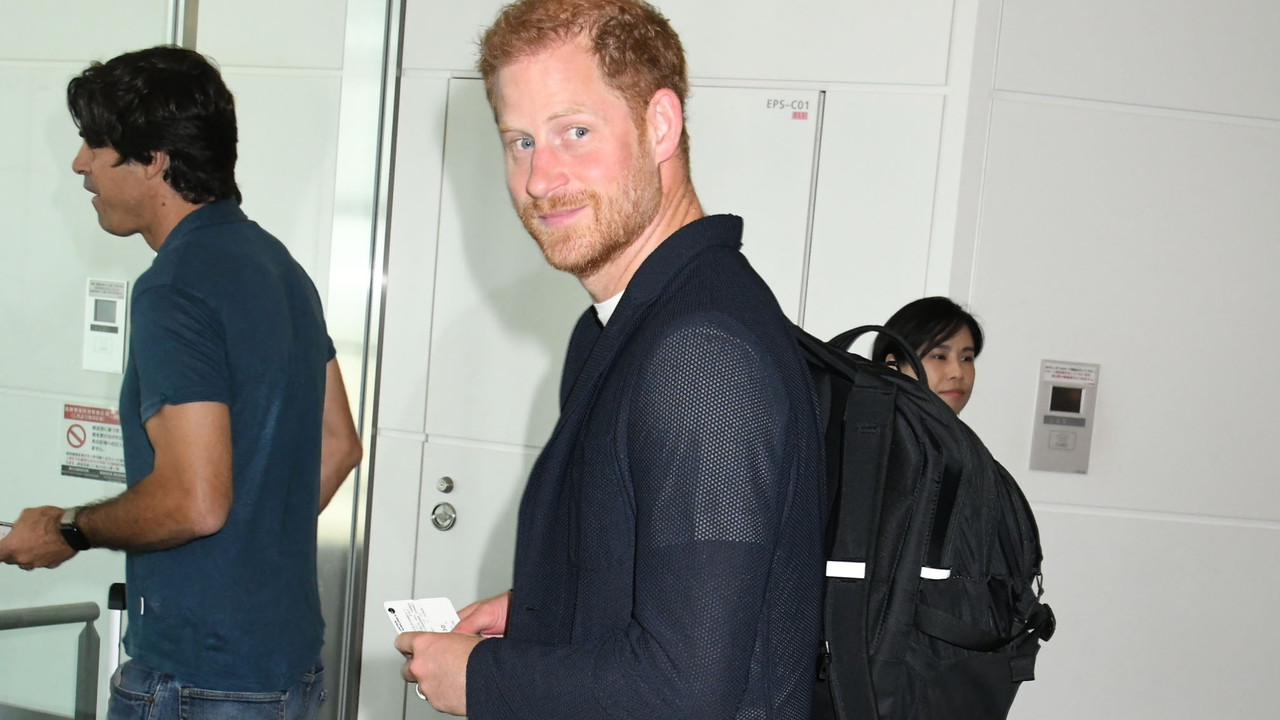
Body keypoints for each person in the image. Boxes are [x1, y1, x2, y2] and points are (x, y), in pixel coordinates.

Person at [394, 1, 826, 718]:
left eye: (575, 132)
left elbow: (688, 690)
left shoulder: (701, 358)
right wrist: (541, 614)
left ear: (660, 125)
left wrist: (484, 679)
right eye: (520, 141)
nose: (539, 178)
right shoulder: (621, 327)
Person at [0, 47, 363, 720]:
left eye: (97, 145)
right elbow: (339, 444)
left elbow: (194, 501)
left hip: (199, 682)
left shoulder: (174, 287)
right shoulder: (278, 265)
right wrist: (246, 547)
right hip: (286, 673)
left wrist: (68, 529)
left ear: (154, 161)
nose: (80, 164)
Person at [872, 296, 984, 414]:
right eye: (939, 356)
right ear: (893, 366)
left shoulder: (959, 432)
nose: (957, 373)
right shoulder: (862, 429)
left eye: (966, 358)